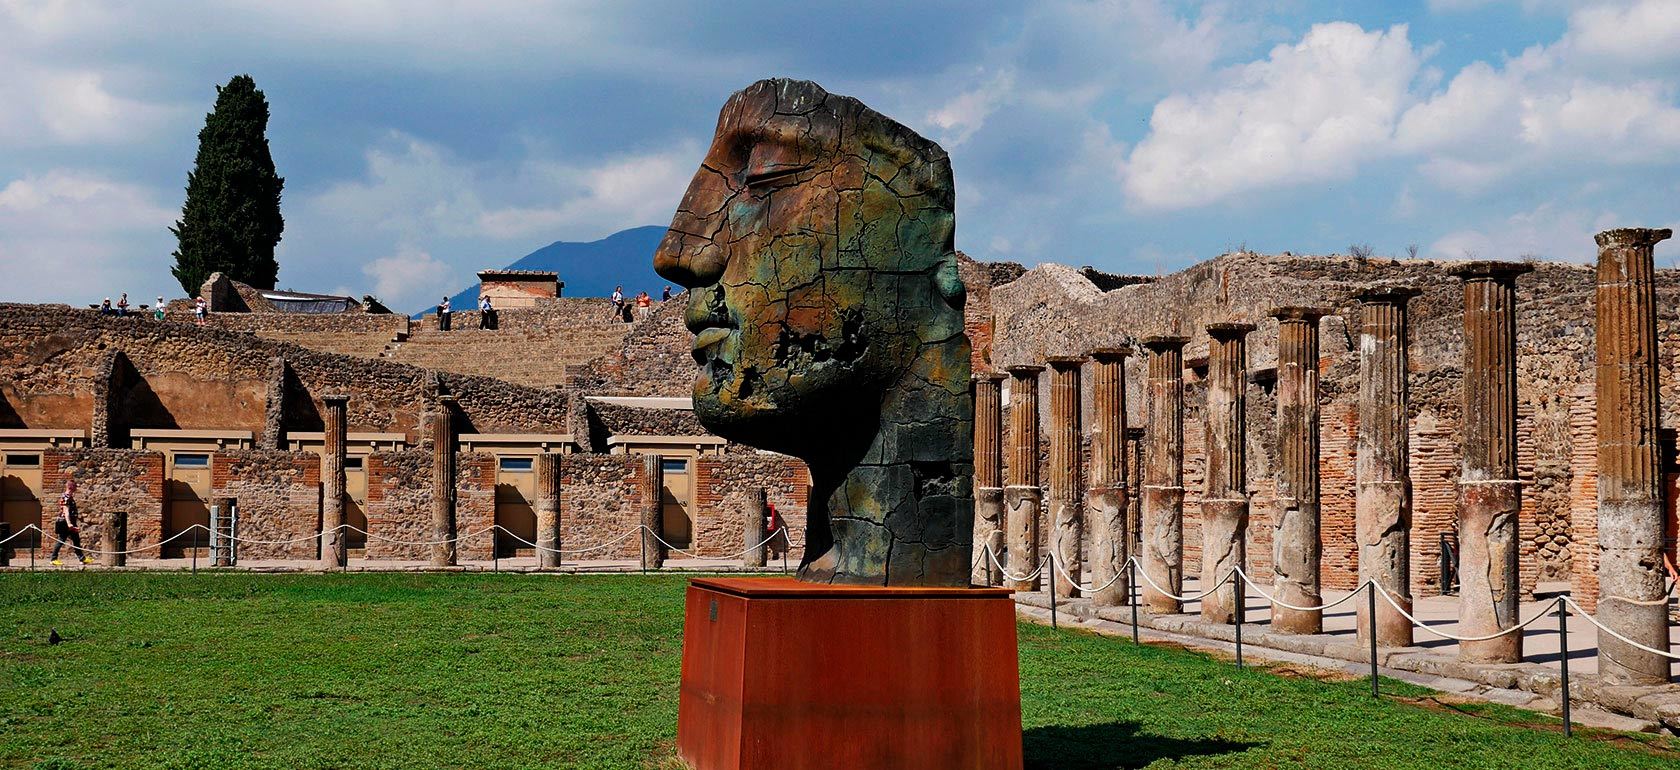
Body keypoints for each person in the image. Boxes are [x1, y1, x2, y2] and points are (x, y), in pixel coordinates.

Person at [50, 479, 93, 566]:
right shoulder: (66, 497)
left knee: (76, 540)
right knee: (61, 540)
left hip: (70, 522)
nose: (76, 487)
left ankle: (82, 558)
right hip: (65, 522)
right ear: (70, 487)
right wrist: (69, 524)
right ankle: (53, 559)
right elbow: (66, 511)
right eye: (75, 486)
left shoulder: (69, 497)